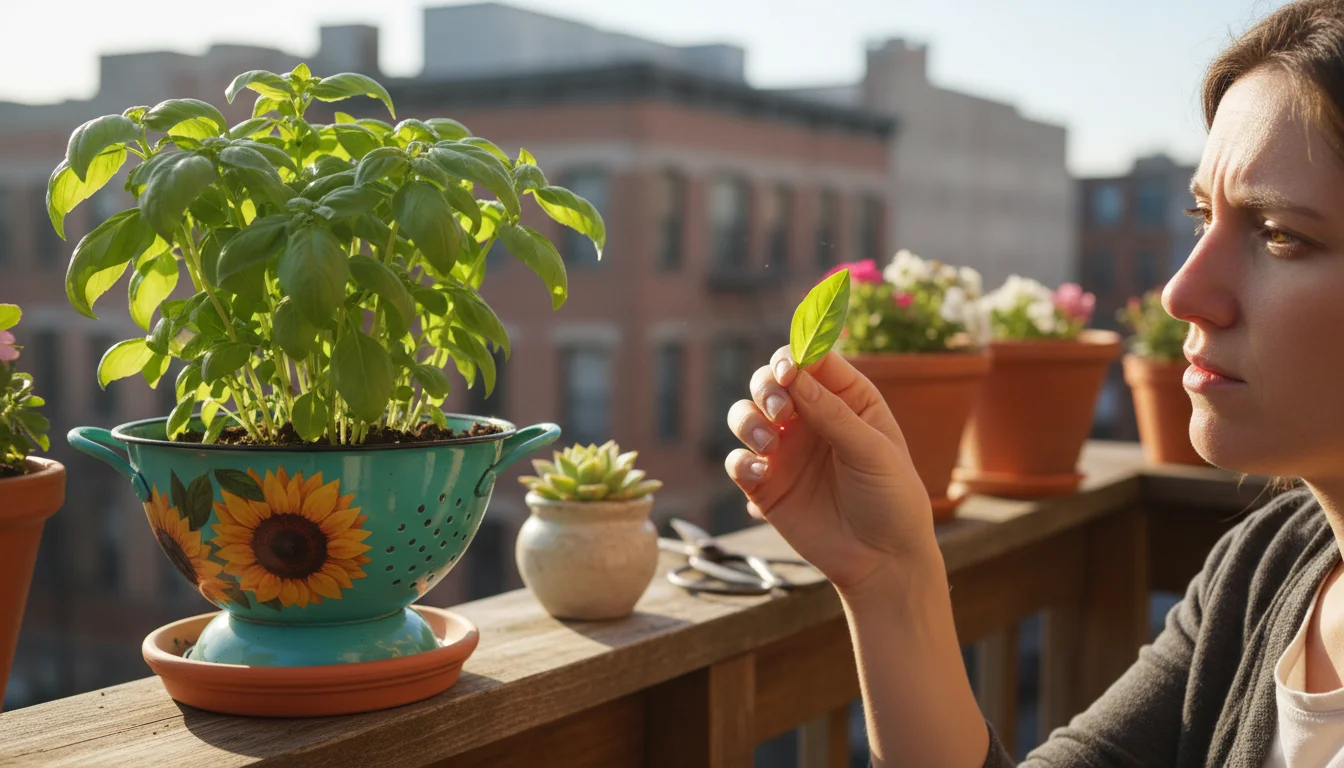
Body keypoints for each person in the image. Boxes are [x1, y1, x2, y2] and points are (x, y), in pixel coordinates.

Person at [723, 1, 1344, 765]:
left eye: (1281, 235)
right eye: (1199, 216)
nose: (1182, 291)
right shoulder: (1264, 572)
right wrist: (889, 574)